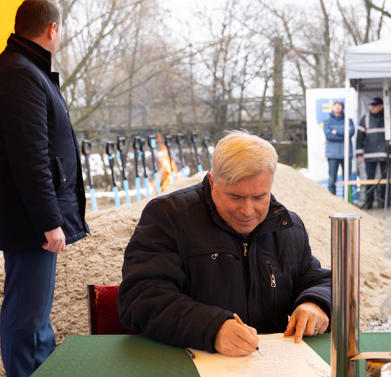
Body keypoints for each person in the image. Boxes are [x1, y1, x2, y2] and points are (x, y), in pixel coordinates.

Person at [118, 131, 332, 356]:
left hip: (271, 368)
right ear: (211, 182)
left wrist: (315, 303)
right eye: (235, 197)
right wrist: (212, 328)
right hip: (186, 367)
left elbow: (317, 280)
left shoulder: (287, 226)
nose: (248, 211)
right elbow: (139, 298)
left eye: (260, 197)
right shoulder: (168, 217)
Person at [0, 0, 89, 377]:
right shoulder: (20, 73)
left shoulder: (23, 68)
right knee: (27, 314)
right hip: (32, 221)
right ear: (52, 30)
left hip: (32, 218)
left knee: (35, 312)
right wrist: (50, 220)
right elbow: (31, 155)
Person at [356, 97, 391, 208]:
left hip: (385, 154)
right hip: (370, 154)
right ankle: (369, 203)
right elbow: (359, 137)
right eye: (371, 106)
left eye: (374, 106)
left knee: (385, 179)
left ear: (381, 106)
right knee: (370, 178)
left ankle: (384, 202)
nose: (372, 108)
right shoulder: (365, 118)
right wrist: (359, 154)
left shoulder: (390, 118)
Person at [323, 99, 355, 195]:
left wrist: (336, 132)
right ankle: (333, 201)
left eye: (339, 105)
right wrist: (344, 134)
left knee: (347, 179)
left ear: (342, 107)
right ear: (332, 107)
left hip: (346, 154)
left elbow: (351, 133)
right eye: (335, 105)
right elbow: (329, 136)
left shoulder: (348, 120)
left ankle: (347, 201)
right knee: (332, 180)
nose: (337, 106)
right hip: (332, 155)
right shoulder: (327, 121)